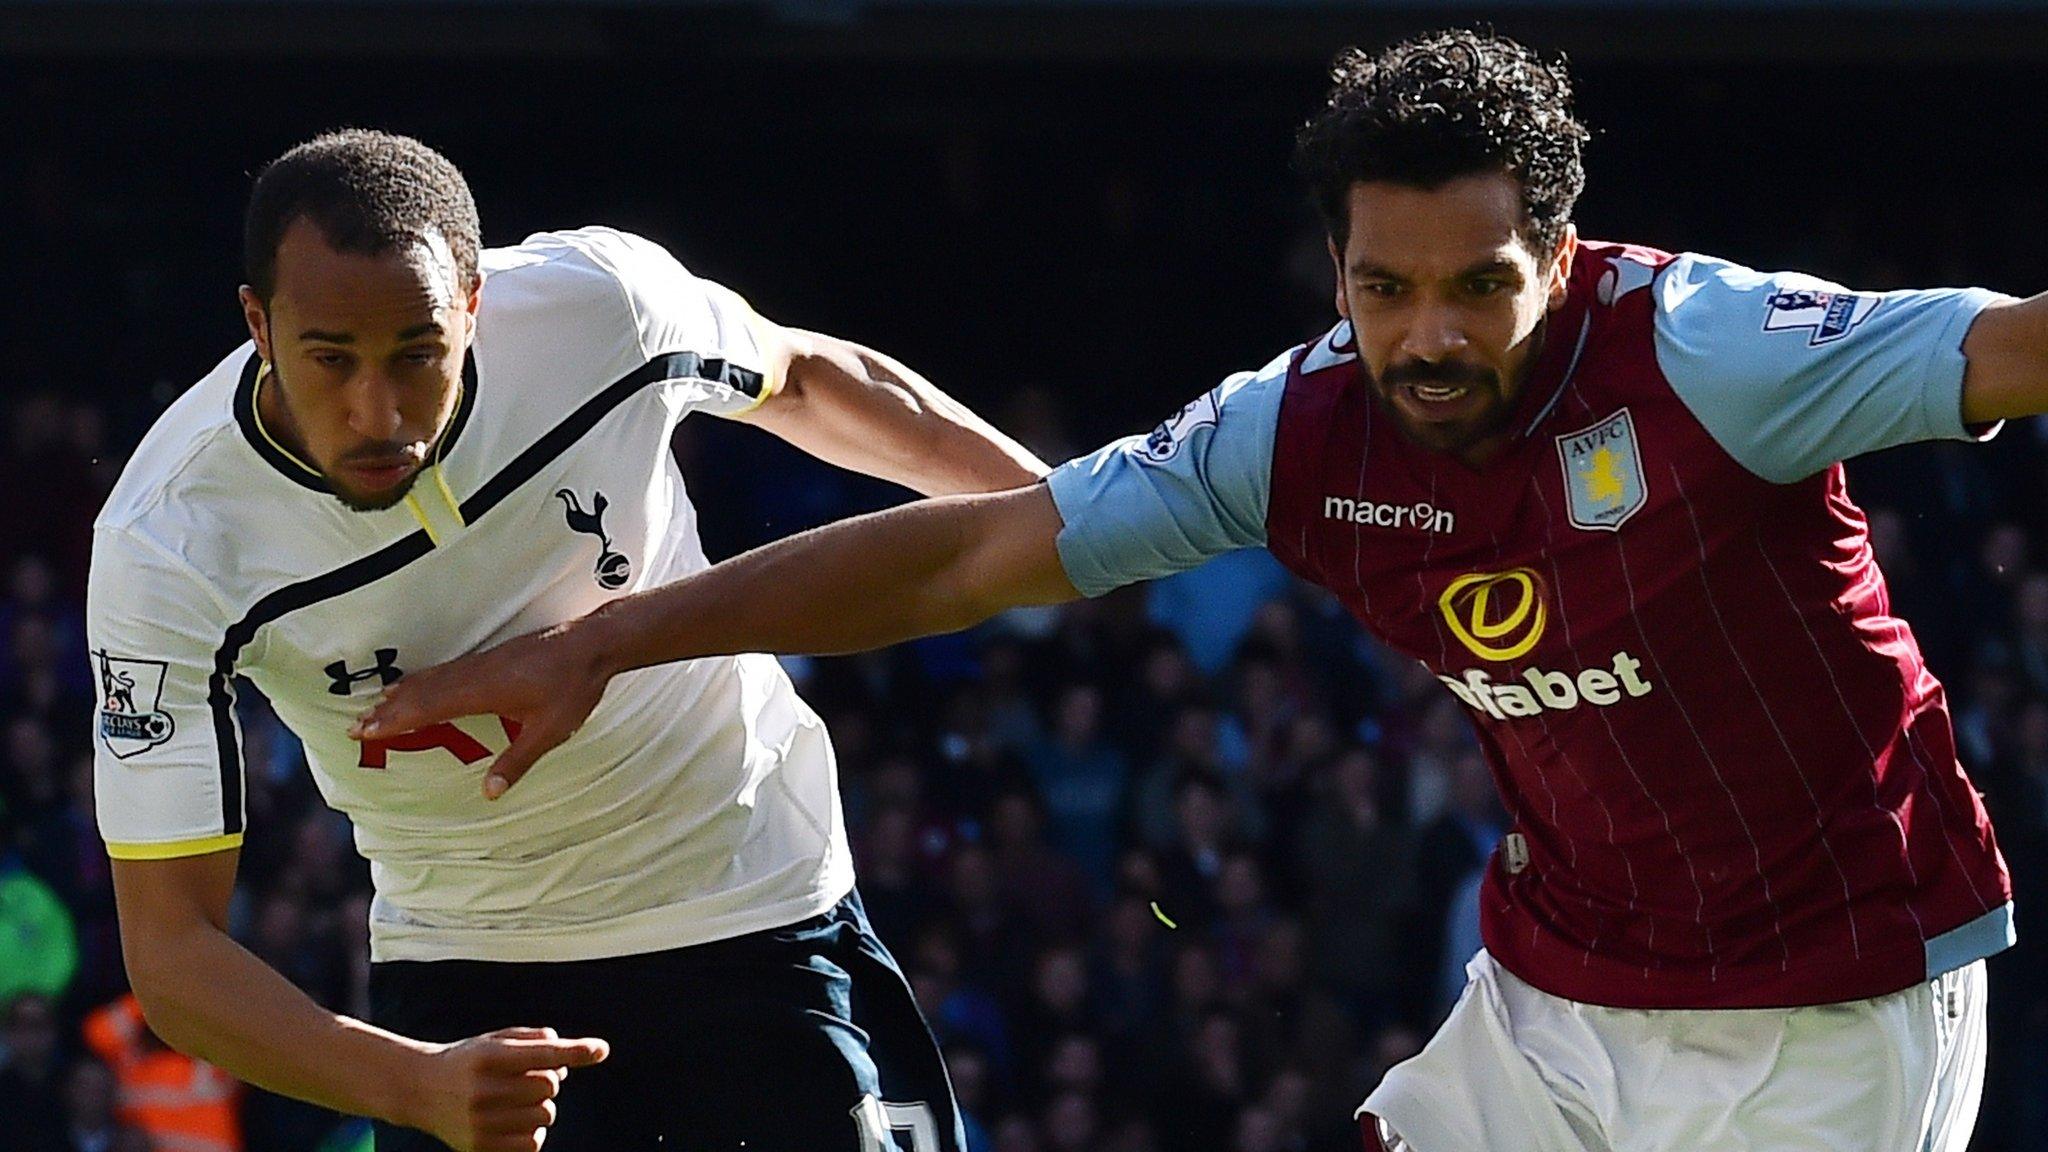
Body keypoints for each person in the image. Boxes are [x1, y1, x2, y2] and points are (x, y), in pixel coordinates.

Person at [358, 30, 2048, 1151]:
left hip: (1832, 1007)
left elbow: (2011, 348)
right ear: (1335, 270)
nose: (1428, 333)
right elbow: (968, 549)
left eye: (1478, 285)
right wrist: (614, 637)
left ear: (1566, 247)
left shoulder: (1710, 349)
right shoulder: (1293, 426)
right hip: (1555, 998)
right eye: (1384, 288)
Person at [87, 129, 1047, 1152]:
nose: (379, 411)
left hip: (752, 901)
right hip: (465, 974)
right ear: (258, 325)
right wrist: (413, 1088)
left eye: (418, 352)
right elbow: (172, 953)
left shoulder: (598, 305)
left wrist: (1069, 514)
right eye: (331, 359)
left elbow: (804, 377)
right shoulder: (169, 541)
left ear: (471, 306)